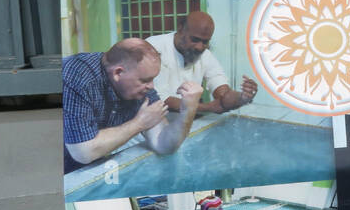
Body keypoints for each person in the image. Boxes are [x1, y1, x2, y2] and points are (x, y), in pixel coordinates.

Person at [62, 39, 202, 175]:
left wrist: (188, 111)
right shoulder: (77, 77)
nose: (152, 86)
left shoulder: (140, 88)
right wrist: (139, 123)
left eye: (152, 79)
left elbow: (163, 144)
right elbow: (83, 152)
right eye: (145, 80)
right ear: (118, 73)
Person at [146, 12, 258, 114]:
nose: (199, 47)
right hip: (151, 126)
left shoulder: (205, 55)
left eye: (205, 42)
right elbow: (158, 100)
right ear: (180, 29)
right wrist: (207, 108)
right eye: (194, 40)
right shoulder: (154, 47)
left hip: (185, 125)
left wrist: (242, 97)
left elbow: (222, 91)